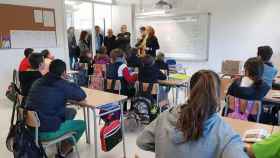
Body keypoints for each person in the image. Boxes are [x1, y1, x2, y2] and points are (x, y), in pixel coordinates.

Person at [137, 70, 249, 158]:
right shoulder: (224, 133)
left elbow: (142, 141)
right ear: (218, 96)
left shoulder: (165, 117)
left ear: (190, 92)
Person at [25, 59, 86, 157]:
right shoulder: (62, 84)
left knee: (71, 111)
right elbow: (81, 95)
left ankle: (62, 139)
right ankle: (63, 151)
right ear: (64, 72)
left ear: (50, 69)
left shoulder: (38, 81)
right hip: (46, 132)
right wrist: (69, 82)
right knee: (82, 124)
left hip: (31, 128)